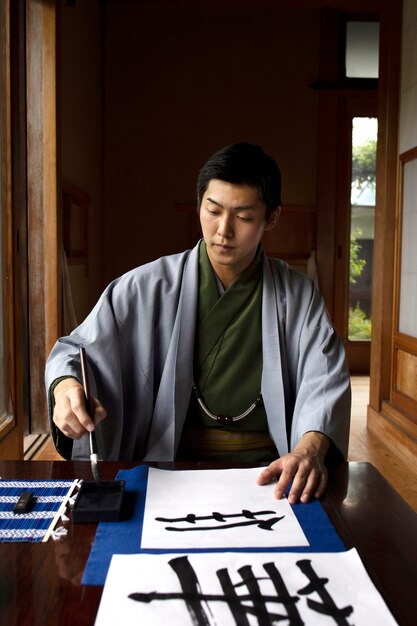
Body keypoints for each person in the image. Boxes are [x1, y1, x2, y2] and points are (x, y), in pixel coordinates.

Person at [45, 142, 351, 504]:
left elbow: (324, 375)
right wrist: (66, 388)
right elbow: (76, 350)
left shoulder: (298, 295)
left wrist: (310, 448)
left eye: (244, 216)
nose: (223, 230)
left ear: (272, 217)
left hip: (268, 471)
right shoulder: (146, 286)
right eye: (213, 210)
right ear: (199, 205)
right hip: (167, 463)